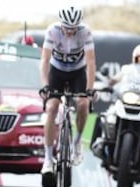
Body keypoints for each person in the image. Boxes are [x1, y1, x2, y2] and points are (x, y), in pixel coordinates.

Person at [92, 43, 140, 166]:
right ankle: (99, 142)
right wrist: (107, 85)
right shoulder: (126, 69)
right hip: (125, 100)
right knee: (104, 116)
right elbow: (113, 81)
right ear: (135, 58)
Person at [39, 5, 96, 175]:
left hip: (78, 72)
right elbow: (45, 59)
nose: (70, 32)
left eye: (73, 29)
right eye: (67, 28)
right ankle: (48, 159)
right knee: (51, 108)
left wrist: (90, 89)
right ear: (60, 24)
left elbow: (91, 62)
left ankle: (77, 142)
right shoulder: (53, 31)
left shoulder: (85, 32)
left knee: (83, 104)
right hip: (57, 71)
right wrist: (45, 85)